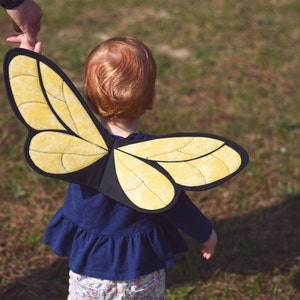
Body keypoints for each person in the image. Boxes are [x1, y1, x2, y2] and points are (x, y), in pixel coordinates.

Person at [43, 37, 217, 299]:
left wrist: (27, 59)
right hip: (141, 269)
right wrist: (206, 233)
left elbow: (43, 107)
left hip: (90, 271)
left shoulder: (79, 147)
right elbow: (175, 203)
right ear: (152, 99)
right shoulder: (153, 155)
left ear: (89, 98)